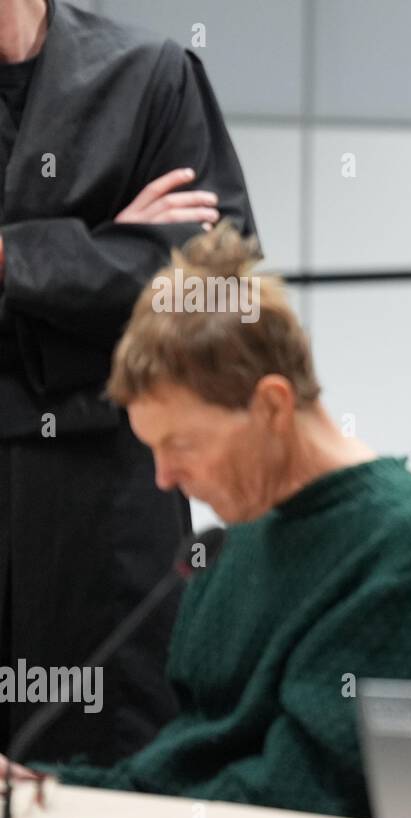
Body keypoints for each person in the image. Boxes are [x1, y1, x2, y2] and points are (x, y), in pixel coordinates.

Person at [1, 225, 411, 818]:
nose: (162, 477)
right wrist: (37, 789)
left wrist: (75, 807)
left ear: (272, 406)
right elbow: (184, 765)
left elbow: (297, 795)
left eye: (181, 444)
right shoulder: (241, 536)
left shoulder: (405, 544)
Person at [0, 0, 256, 765]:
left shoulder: (148, 74)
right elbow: (158, 266)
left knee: (112, 749)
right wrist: (114, 244)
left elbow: (217, 274)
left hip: (112, 474)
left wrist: (15, 260)